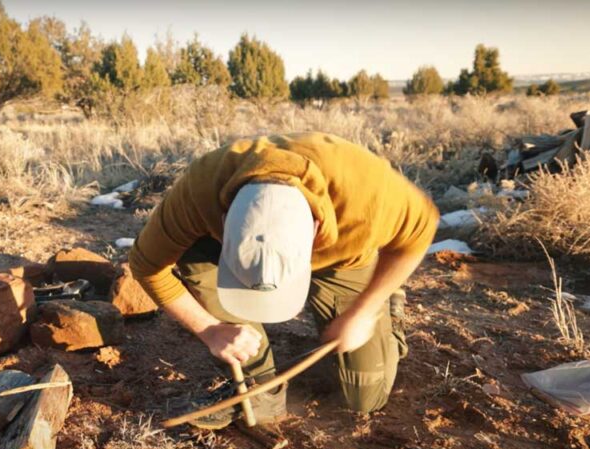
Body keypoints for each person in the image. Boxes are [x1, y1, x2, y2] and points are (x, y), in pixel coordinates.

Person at [128, 132, 438, 429]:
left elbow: (422, 229)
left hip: (344, 260)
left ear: (316, 229)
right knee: (194, 255)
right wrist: (210, 330)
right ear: (223, 221)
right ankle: (258, 386)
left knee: (366, 398)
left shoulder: (368, 196)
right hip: (223, 240)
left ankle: (390, 310)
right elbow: (146, 265)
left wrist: (364, 311)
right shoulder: (200, 191)